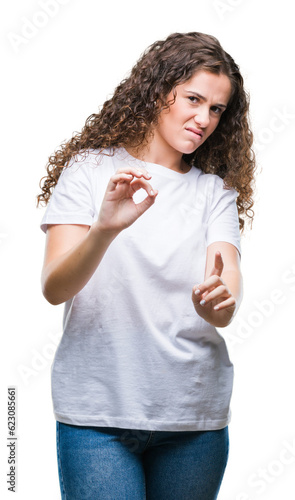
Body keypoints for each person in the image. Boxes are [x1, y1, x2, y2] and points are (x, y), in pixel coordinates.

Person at [37, 31, 256, 500]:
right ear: (158, 91)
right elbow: (55, 287)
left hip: (194, 418)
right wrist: (106, 229)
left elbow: (227, 285)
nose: (203, 120)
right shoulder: (90, 170)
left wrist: (220, 301)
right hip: (97, 416)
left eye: (217, 109)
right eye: (193, 99)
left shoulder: (213, 193)